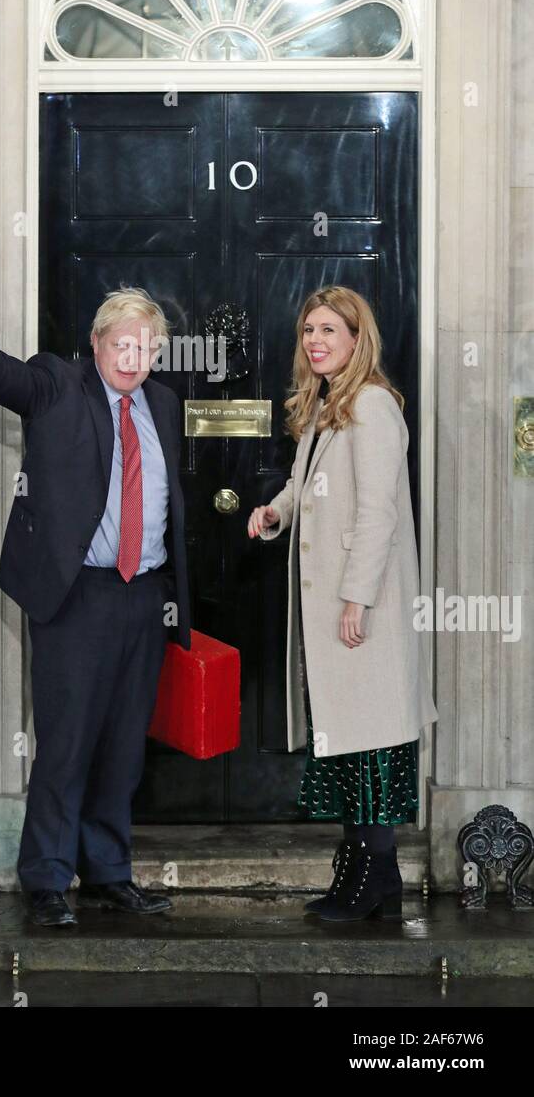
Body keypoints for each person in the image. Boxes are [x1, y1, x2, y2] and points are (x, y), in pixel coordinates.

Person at [0, 273, 191, 926]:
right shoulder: (57, 386)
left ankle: (107, 873)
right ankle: (46, 879)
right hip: (78, 596)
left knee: (124, 746)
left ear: (157, 353)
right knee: (67, 742)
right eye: (121, 345)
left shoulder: (162, 404)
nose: (132, 359)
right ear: (97, 344)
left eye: (145, 348)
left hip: (142, 597)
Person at [247, 286, 438, 923]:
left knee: (374, 745)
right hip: (338, 606)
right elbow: (307, 487)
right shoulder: (329, 404)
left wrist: (357, 597)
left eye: (330, 330)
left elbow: (378, 511)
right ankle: (365, 877)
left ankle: (372, 879)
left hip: (365, 609)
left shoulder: (375, 406)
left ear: (358, 339)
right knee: (353, 747)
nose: (317, 341)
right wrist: (276, 511)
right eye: (309, 331)